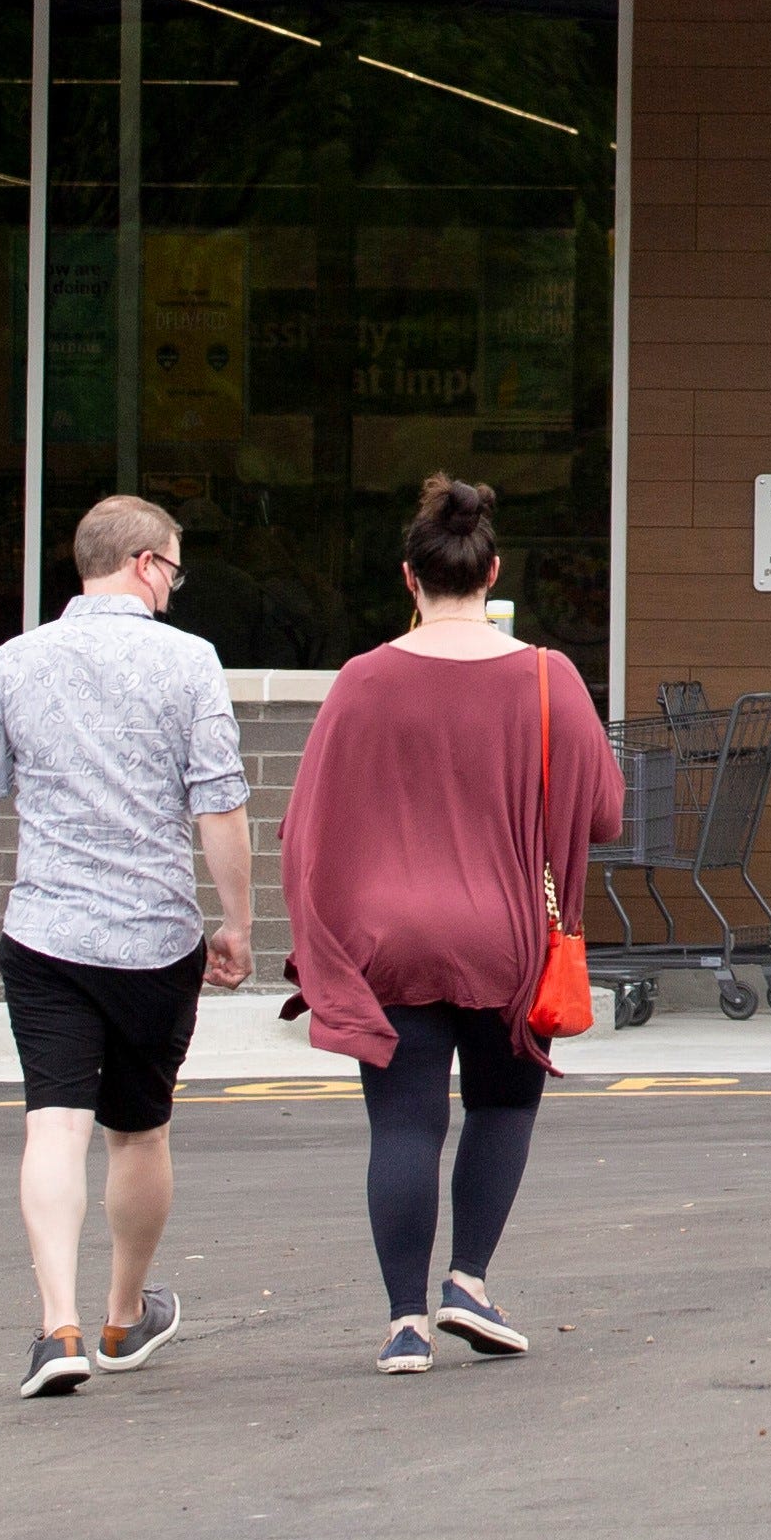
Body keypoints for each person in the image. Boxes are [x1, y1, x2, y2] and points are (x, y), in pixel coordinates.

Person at [276, 476, 624, 1375]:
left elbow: (307, 821)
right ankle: (468, 1281)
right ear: (492, 571)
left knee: (404, 1128)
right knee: (503, 1106)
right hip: (506, 936)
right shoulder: (550, 676)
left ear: (409, 578)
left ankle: (403, 1324)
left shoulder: (362, 681)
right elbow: (605, 814)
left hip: (390, 943)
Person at [0, 491, 255, 1401]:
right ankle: (122, 1317)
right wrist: (235, 922)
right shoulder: (191, 663)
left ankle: (56, 1327)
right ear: (148, 564)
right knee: (138, 1132)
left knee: (54, 1125)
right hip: (157, 939)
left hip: (47, 937)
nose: (175, 587)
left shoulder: (16, 660)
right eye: (176, 569)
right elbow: (218, 803)